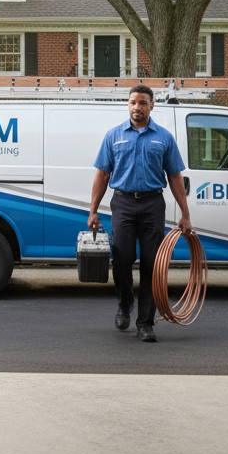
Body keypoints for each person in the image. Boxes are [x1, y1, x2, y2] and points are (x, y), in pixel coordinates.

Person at [87, 85, 193, 342]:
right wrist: (93, 212)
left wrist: (185, 214)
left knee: (151, 265)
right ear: (128, 105)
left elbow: (175, 176)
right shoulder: (113, 136)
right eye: (133, 102)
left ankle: (145, 323)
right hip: (122, 204)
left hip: (152, 204)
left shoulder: (164, 138)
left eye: (143, 103)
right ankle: (125, 304)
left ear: (151, 106)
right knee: (122, 260)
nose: (137, 107)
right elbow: (102, 175)